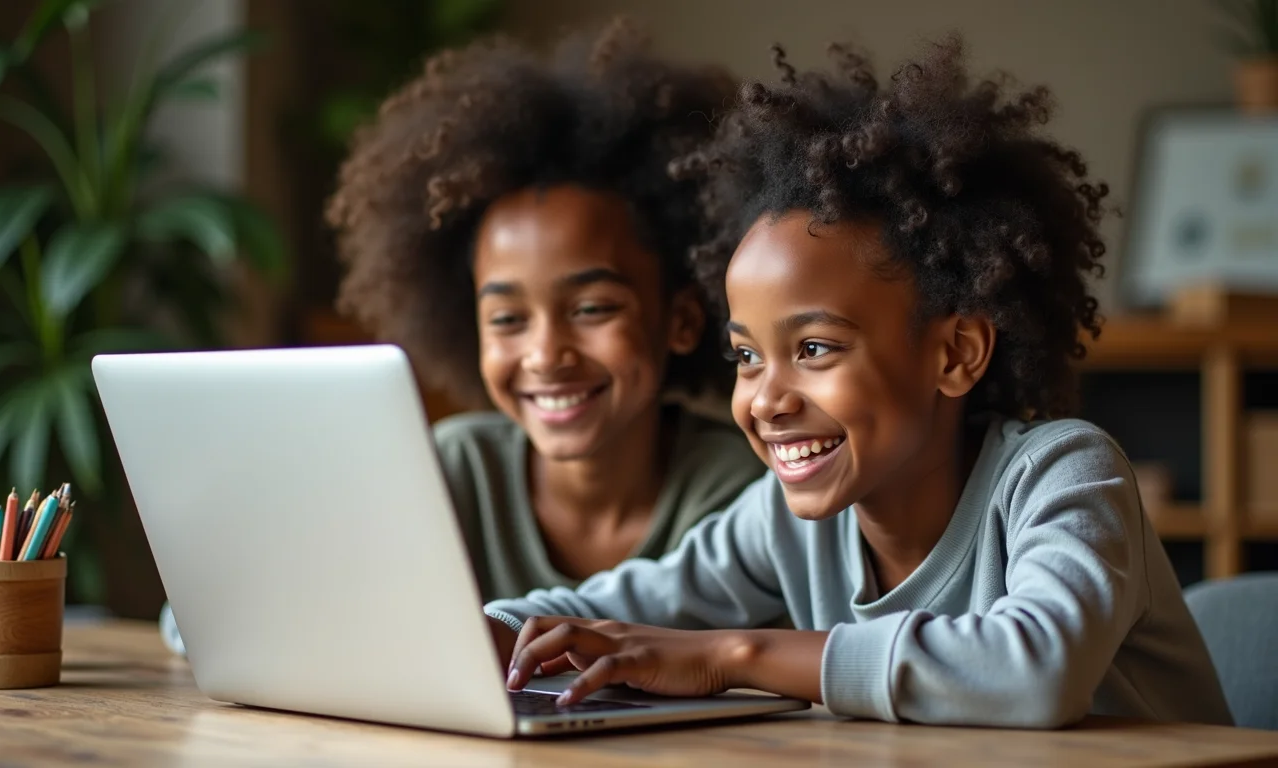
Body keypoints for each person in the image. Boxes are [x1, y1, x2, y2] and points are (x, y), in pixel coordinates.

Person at [483, 36, 1233, 728]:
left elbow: (1034, 670)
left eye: (813, 348)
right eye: (747, 357)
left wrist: (728, 657)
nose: (768, 400)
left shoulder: (1063, 477)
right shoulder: (782, 521)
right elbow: (599, 608)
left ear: (956, 354)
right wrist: (487, 632)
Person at [325, 18, 765, 602]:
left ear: (682, 321)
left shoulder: (737, 491)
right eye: (508, 319)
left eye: (591, 308)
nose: (545, 354)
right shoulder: (456, 470)